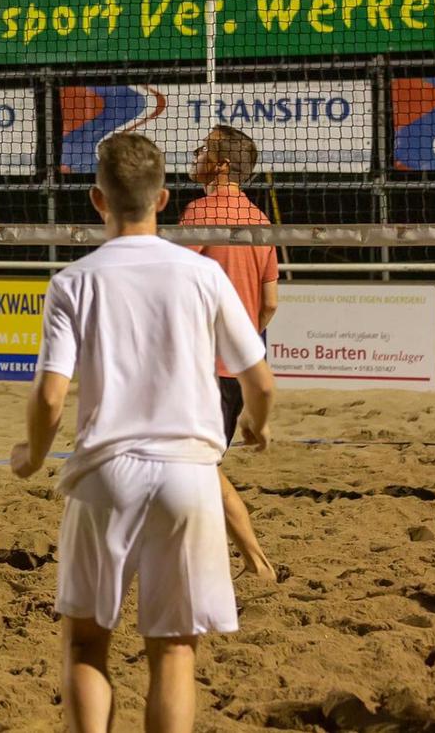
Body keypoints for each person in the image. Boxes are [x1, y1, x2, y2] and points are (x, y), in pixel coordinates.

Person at [10, 133, 275, 733]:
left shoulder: (74, 281)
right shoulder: (201, 276)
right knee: (175, 652)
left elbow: (51, 396)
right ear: (163, 198)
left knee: (84, 646)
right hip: (189, 474)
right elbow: (260, 377)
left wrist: (32, 456)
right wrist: (258, 424)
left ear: (97, 199)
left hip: (105, 474)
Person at [181, 125, 279, 582]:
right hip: (241, 366)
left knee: (198, 467)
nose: (196, 153)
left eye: (205, 149)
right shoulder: (259, 221)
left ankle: (256, 563)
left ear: (221, 166)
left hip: (202, 368)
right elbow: (270, 302)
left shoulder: (200, 212)